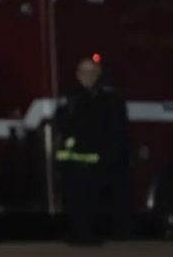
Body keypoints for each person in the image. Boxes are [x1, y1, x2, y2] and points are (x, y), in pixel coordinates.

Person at [54, 57, 130, 245]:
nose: (88, 76)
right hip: (74, 159)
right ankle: (80, 235)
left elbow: (114, 128)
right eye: (85, 72)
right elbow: (63, 123)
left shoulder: (106, 99)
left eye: (92, 73)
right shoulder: (72, 97)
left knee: (93, 199)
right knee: (76, 199)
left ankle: (90, 234)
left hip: (97, 159)